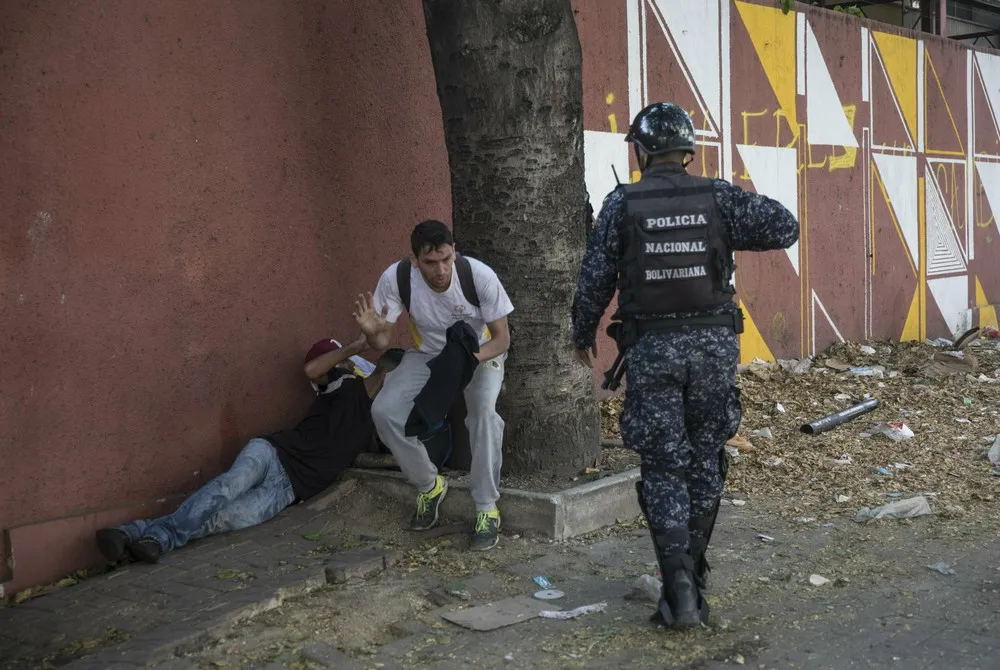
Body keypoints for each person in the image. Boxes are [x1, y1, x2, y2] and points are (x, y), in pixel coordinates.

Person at [570, 102, 799, 628]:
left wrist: (582, 336)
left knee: (663, 464)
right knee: (704, 458)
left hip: (652, 352)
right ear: (688, 150)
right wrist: (719, 224)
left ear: (641, 151)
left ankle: (677, 589)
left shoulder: (622, 204)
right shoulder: (717, 196)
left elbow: (593, 281)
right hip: (715, 351)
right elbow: (784, 226)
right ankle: (692, 580)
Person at [95, 336, 399, 564]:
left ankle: (133, 533)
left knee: (221, 519)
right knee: (226, 488)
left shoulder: (378, 422)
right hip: (273, 454)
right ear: (386, 374)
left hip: (288, 491)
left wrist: (409, 460)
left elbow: (360, 458)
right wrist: (355, 348)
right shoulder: (343, 381)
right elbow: (311, 370)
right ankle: (161, 539)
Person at [354, 219, 513, 551]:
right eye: (430, 262)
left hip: (479, 353)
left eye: (446, 259)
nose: (440, 269)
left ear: (454, 251)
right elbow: (382, 341)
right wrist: (372, 332)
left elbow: (502, 339)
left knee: (483, 415)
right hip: (428, 354)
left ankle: (486, 507)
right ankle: (429, 485)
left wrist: (466, 364)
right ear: (415, 260)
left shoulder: (478, 276)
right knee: (384, 411)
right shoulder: (397, 278)